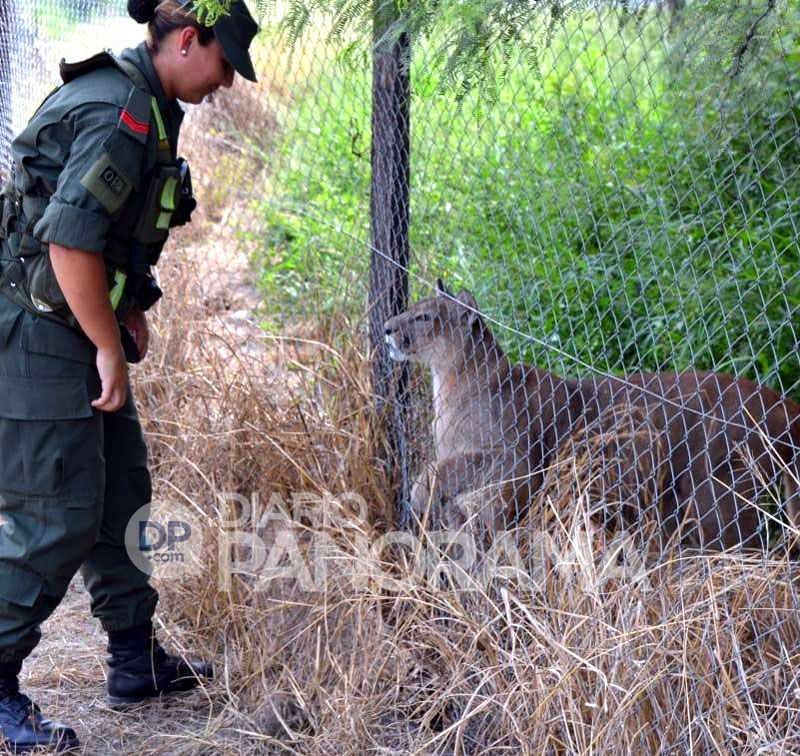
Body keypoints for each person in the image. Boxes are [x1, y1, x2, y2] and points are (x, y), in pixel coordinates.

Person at [0, 0, 258, 750]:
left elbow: (119, 228)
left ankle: (134, 660)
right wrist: (107, 346)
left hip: (71, 322)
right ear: (188, 41)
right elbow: (69, 245)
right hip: (38, 331)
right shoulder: (121, 111)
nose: (227, 84)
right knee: (57, 512)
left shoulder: (149, 101)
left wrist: (131, 304)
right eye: (224, 64)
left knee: (122, 491)